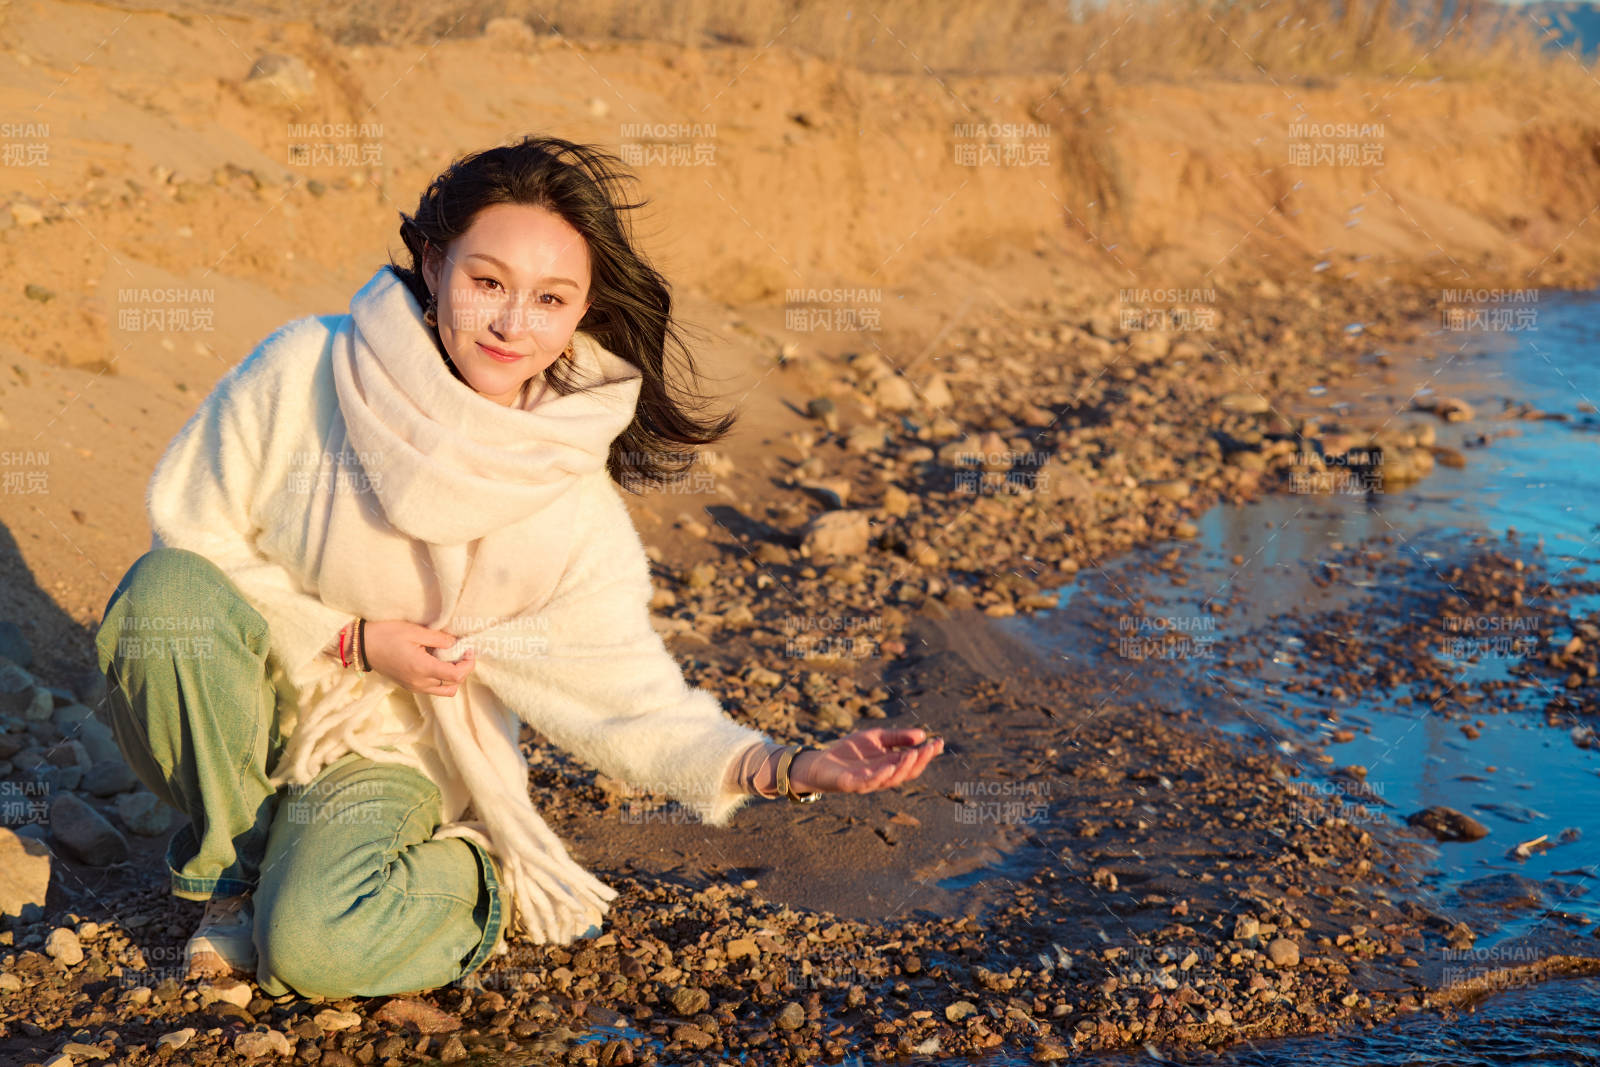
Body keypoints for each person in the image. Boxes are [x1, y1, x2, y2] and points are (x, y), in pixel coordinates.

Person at [92, 135, 944, 1000]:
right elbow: (189, 530)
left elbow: (623, 697)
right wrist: (350, 639)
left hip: (382, 749)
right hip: (236, 706)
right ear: (434, 263)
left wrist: (789, 765)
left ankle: (474, 881)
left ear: (581, 312)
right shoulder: (306, 364)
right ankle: (230, 877)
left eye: (550, 298)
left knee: (311, 951)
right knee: (167, 598)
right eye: (487, 282)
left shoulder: (562, 488)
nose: (511, 323)